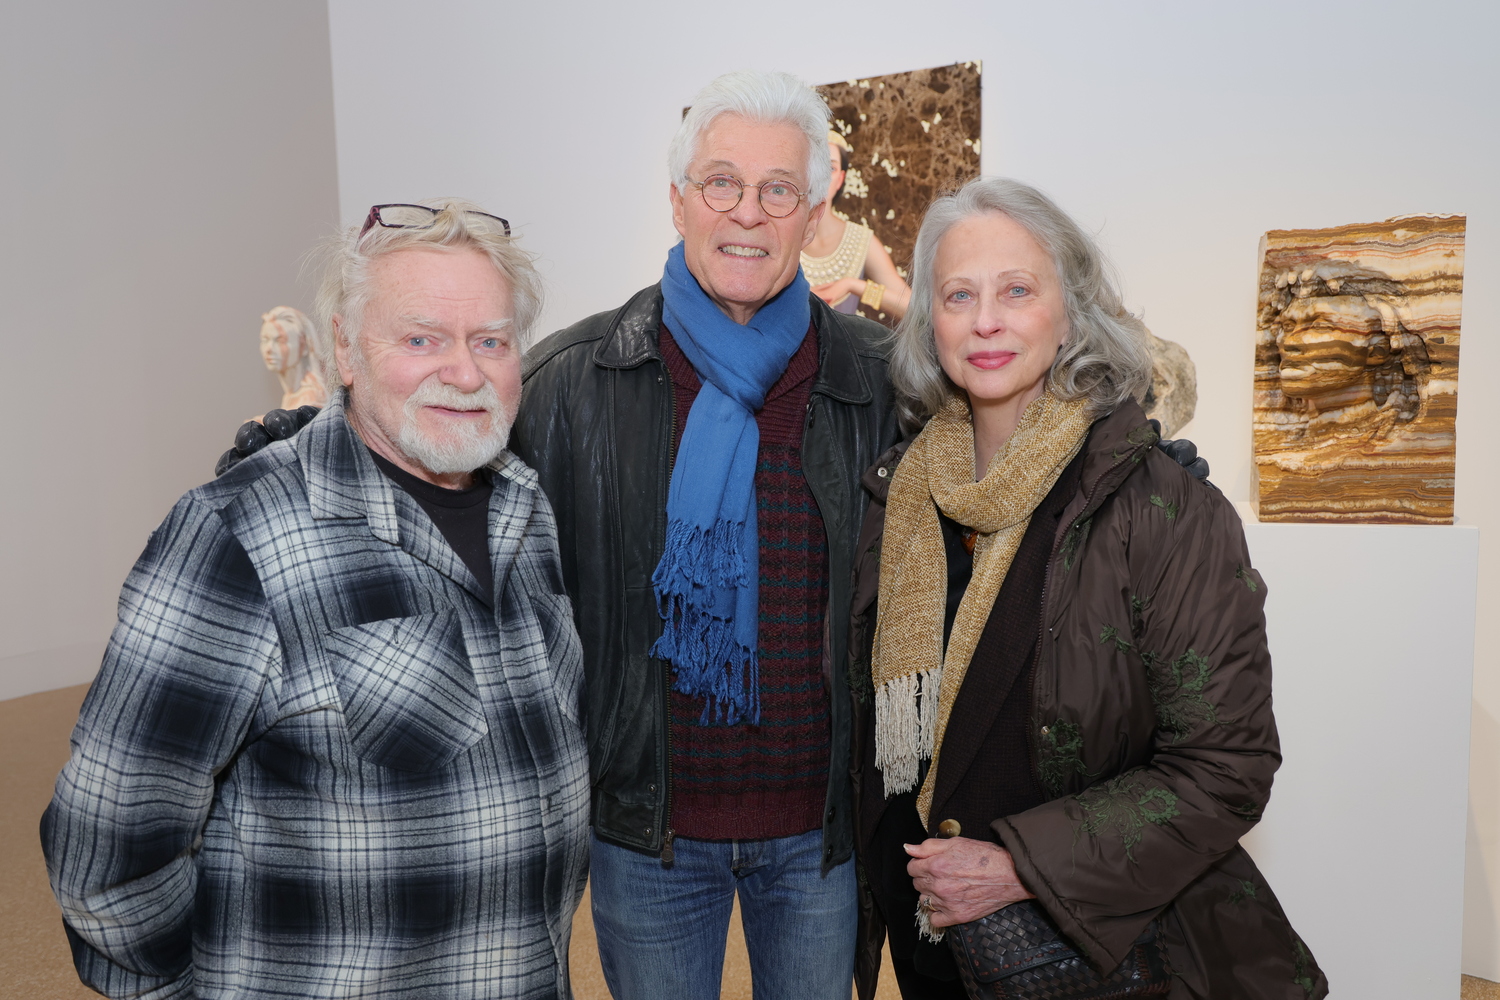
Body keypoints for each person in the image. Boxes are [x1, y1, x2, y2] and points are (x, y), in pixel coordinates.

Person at [42, 200, 590, 1000]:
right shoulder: (236, 534)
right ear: (344, 347)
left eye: (491, 342)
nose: (466, 373)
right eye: (420, 338)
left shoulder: (526, 510)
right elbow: (109, 834)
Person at [846, 177, 1327, 999]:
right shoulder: (905, 498)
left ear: (1071, 314)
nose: (987, 319)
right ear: (931, 322)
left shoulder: (1165, 510)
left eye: (1018, 290)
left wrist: (1020, 869)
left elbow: (1227, 765)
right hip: (932, 947)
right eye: (959, 294)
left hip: (1101, 952)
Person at [511, 70, 898, 1000]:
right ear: (678, 200)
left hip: (819, 829)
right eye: (722, 182)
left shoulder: (882, 380)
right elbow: (438, 469)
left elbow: (1001, 463)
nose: (748, 213)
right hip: (647, 825)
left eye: (778, 191)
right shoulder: (570, 380)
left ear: (814, 216)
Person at [803, 130, 912, 322]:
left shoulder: (860, 240)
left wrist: (854, 286)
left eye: (831, 168)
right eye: (816, 166)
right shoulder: (783, 232)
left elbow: (913, 309)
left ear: (841, 178)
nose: (822, 176)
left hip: (841, 351)